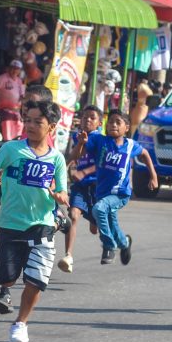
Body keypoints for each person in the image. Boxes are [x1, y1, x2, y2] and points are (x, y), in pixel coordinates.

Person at [0, 99, 69, 342]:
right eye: (28, 120)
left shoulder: (57, 159)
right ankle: (5, 289)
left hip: (42, 225)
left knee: (36, 279)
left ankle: (20, 324)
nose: (30, 125)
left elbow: (63, 191)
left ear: (51, 127)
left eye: (38, 121)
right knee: (6, 276)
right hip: (10, 224)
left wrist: (60, 196)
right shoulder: (11, 150)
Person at [71, 109, 157, 265]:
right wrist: (81, 143)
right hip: (102, 193)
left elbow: (145, 154)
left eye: (118, 122)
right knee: (113, 225)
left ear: (127, 127)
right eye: (110, 122)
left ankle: (108, 246)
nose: (113, 125)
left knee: (98, 209)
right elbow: (78, 156)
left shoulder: (131, 145)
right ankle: (124, 243)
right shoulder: (100, 141)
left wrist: (153, 176)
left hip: (120, 194)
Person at [58, 105, 103, 273]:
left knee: (95, 225)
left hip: (97, 187)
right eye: (85, 117)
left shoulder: (101, 140)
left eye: (92, 117)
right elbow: (72, 157)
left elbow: (103, 164)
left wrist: (84, 171)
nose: (87, 120)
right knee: (73, 215)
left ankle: (95, 221)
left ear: (99, 122)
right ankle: (68, 256)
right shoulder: (78, 137)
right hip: (80, 186)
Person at [0, 60, 26, 141]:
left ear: (19, 70)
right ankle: (7, 143)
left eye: (17, 69)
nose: (14, 71)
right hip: (3, 110)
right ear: (9, 68)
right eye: (12, 68)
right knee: (7, 127)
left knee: (20, 126)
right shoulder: (3, 78)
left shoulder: (19, 80)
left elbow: (22, 96)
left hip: (16, 111)